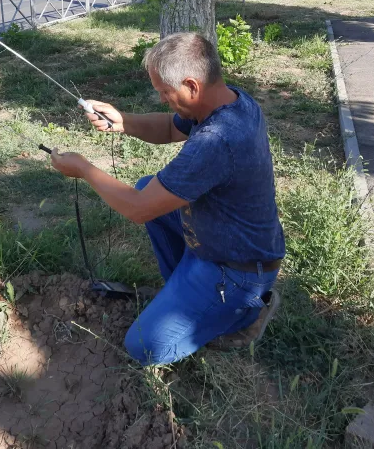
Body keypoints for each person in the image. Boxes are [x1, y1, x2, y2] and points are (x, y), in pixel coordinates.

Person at [50, 32, 285, 365]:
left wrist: (84, 169)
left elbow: (138, 209)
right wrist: (123, 122)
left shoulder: (217, 141)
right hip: (226, 238)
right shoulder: (232, 101)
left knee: (144, 346)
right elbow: (172, 129)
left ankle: (244, 314)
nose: (162, 99)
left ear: (191, 85)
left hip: (237, 269)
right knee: (150, 184)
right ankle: (187, 290)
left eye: (164, 91)